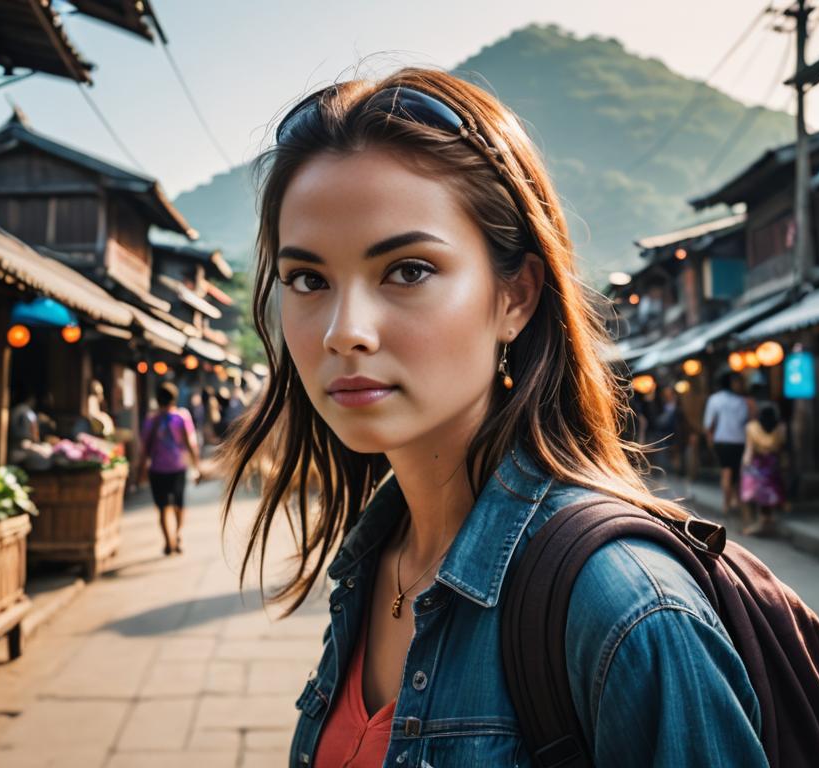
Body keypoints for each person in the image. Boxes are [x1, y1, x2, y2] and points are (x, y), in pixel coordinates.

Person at [222, 70, 766, 766]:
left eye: (408, 270)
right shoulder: (377, 560)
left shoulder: (624, 609)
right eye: (308, 279)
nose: (343, 331)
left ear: (515, 296)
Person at [136, 382, 201, 555]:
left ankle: (168, 541)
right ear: (174, 398)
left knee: (163, 507)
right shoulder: (182, 416)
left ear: (157, 400)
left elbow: (144, 448)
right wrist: (197, 465)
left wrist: (140, 470)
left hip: (157, 469)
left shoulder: (151, 420)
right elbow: (190, 443)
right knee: (179, 504)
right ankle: (177, 535)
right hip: (178, 467)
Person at [703, 371, 750, 518]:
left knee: (726, 472)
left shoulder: (714, 399)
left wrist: (710, 442)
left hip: (721, 441)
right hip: (740, 441)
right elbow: (745, 421)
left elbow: (708, 424)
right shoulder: (742, 401)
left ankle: (726, 505)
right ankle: (735, 502)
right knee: (736, 473)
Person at [740, 403, 787, 536]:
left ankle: (756, 523)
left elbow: (749, 448)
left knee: (755, 495)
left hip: (757, 464)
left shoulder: (751, 427)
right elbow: (781, 446)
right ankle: (767, 521)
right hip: (772, 464)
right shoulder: (780, 427)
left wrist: (745, 463)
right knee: (770, 496)